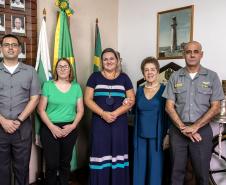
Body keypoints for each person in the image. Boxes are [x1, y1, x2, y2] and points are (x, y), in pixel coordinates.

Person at [162, 41, 224, 185]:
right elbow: (169, 107)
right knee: (176, 174)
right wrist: (184, 129)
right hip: (178, 132)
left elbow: (215, 107)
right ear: (184, 54)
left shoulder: (212, 76)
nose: (192, 54)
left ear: (201, 54)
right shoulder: (175, 76)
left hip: (202, 132)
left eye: (195, 51)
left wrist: (195, 127)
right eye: (188, 51)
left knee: (202, 174)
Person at [84, 48, 135, 185]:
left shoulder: (124, 78)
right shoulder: (94, 77)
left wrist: (115, 114)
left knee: (118, 153)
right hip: (100, 123)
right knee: (100, 153)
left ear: (117, 60)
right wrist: (103, 114)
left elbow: (131, 99)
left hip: (119, 123)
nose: (109, 61)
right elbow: (87, 99)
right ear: (101, 62)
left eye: (111, 58)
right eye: (105, 59)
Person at [0, 34, 40, 185]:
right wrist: (2, 121)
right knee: (1, 169)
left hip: (22, 130)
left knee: (22, 169)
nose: (10, 47)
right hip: (0, 129)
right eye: (6, 44)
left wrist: (18, 120)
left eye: (14, 45)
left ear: (19, 49)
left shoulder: (30, 72)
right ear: (1, 48)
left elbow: (35, 98)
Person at [38, 58, 84, 185]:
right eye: (60, 66)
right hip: (49, 127)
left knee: (65, 162)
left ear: (70, 70)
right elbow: (41, 110)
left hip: (70, 128)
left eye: (66, 66)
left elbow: (80, 110)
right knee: (52, 164)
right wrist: (52, 127)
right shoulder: (48, 85)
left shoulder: (76, 87)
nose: (63, 69)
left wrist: (73, 126)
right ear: (56, 70)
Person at [133, 57, 170, 185]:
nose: (150, 72)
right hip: (139, 137)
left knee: (155, 171)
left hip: (157, 138)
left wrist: (168, 135)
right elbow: (133, 111)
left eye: (152, 69)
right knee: (139, 170)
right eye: (146, 70)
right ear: (143, 73)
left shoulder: (165, 90)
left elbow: (170, 114)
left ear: (158, 71)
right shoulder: (138, 90)